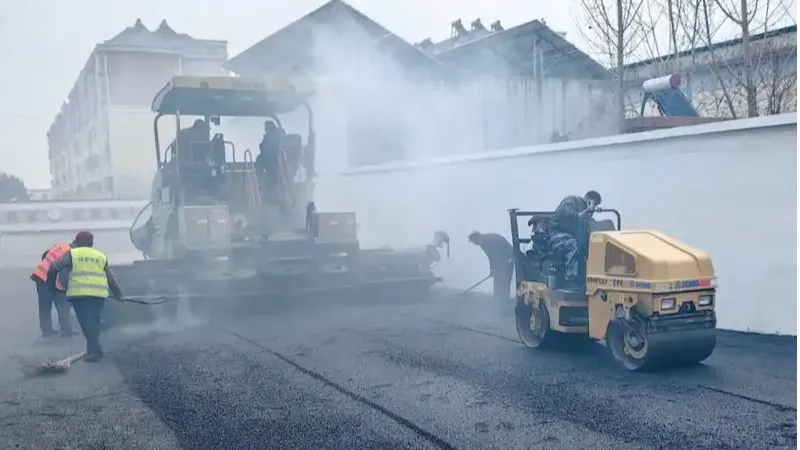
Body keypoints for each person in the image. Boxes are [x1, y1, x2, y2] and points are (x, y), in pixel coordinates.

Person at [46, 231, 125, 363]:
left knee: (86, 323)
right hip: (98, 295)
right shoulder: (100, 255)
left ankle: (95, 351)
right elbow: (110, 277)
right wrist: (118, 294)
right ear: (91, 243)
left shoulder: (72, 254)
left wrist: (51, 287)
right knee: (93, 322)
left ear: (77, 242)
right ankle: (92, 350)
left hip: (80, 295)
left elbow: (53, 268)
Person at [549, 190, 603, 287]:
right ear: (589, 199)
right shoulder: (572, 200)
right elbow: (562, 213)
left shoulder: (586, 211)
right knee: (573, 245)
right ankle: (571, 280)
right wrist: (578, 215)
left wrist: (591, 213)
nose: (594, 206)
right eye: (594, 203)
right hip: (557, 234)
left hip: (573, 237)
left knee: (591, 247)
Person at [31, 243, 76, 338]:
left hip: (41, 275)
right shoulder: (71, 254)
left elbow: (46, 254)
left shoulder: (62, 246)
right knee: (62, 302)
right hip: (47, 277)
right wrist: (65, 289)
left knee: (45, 305)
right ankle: (66, 330)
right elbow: (64, 275)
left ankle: (47, 331)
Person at [468, 231, 515, 302]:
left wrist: (497, 269)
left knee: (504, 281)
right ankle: (497, 299)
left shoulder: (489, 242)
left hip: (508, 259)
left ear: (477, 237)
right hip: (503, 261)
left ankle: (504, 301)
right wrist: (492, 269)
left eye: (475, 242)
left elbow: (498, 255)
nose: (475, 244)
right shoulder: (483, 244)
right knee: (498, 280)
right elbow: (491, 257)